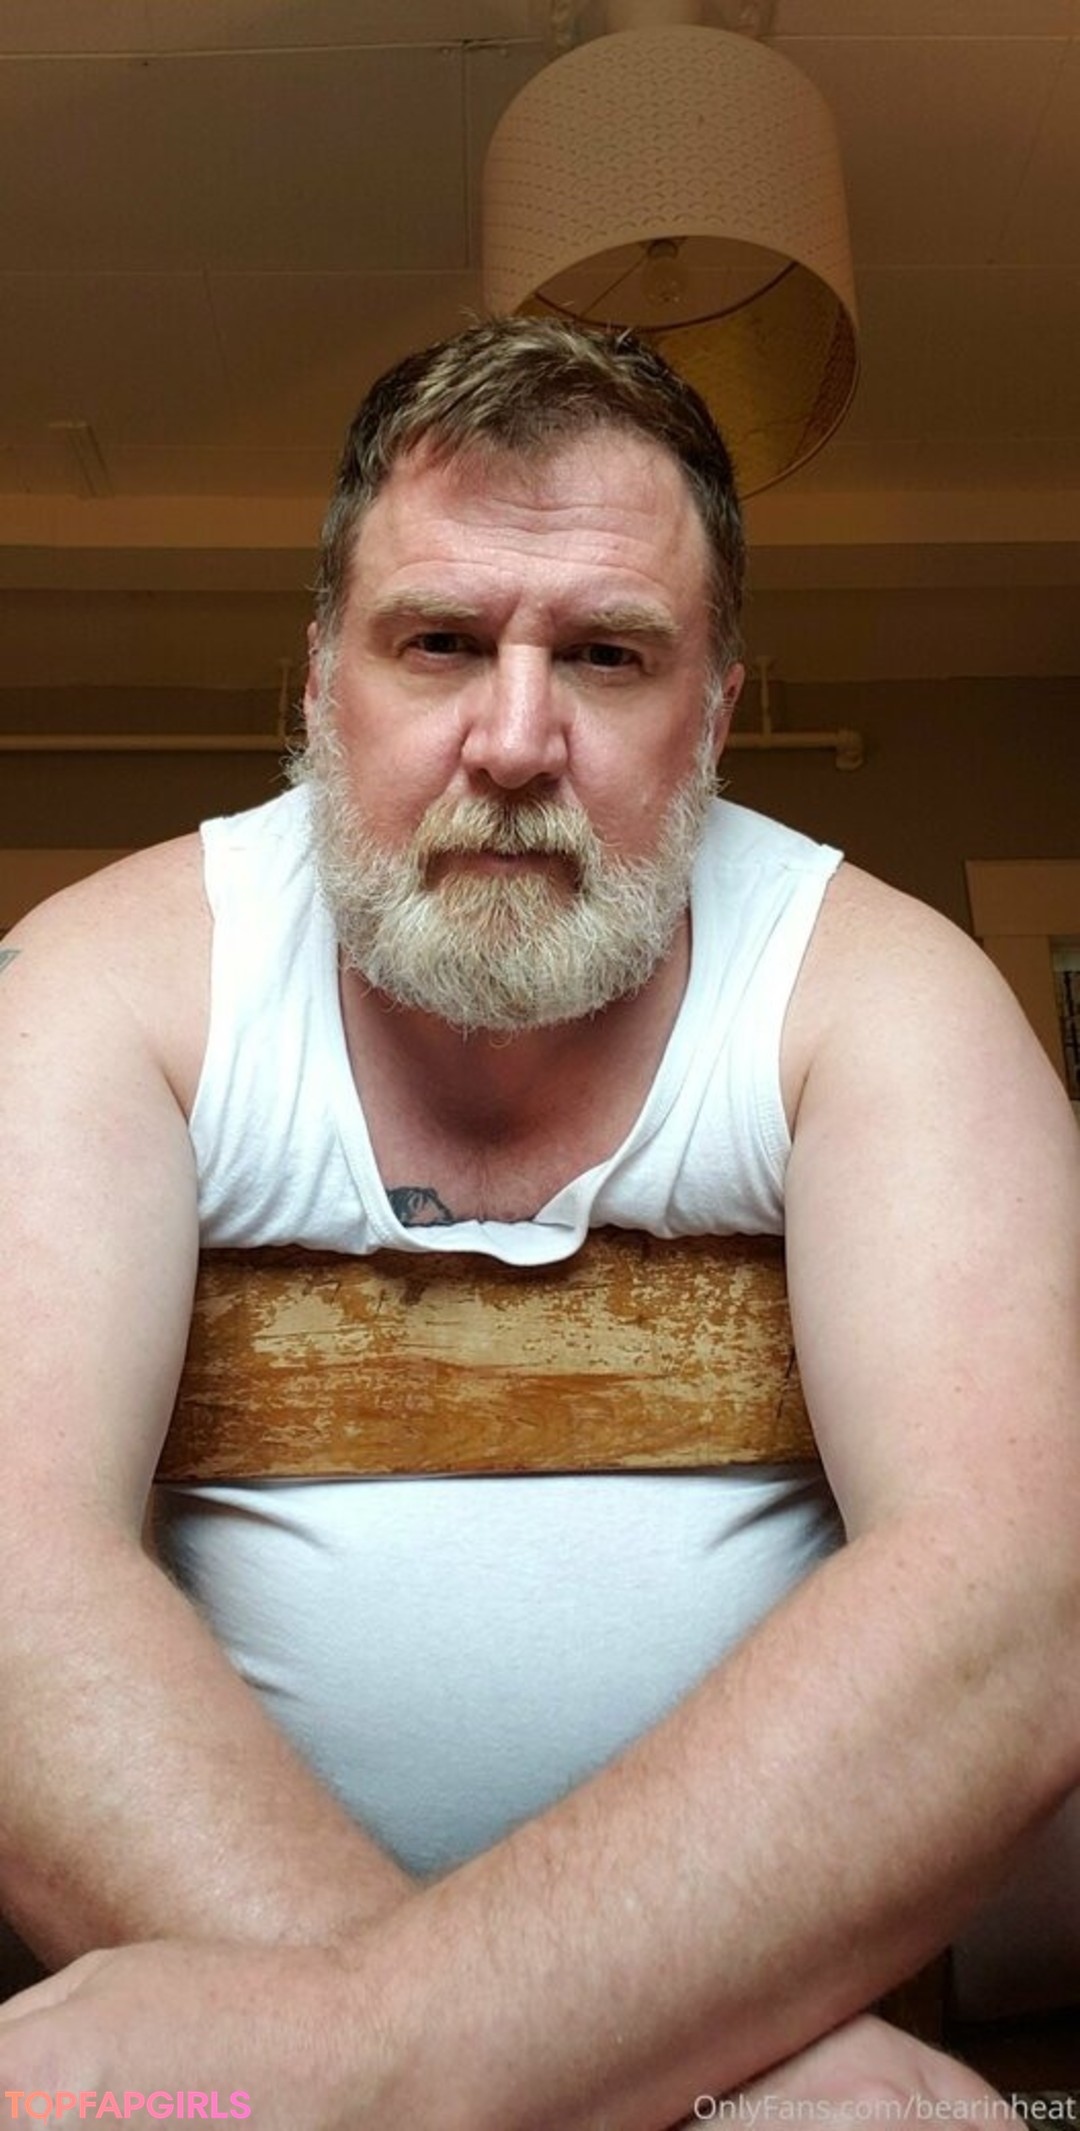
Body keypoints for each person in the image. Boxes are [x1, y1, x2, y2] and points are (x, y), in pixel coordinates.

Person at [0, 317, 1077, 2127]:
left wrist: (371, 2057)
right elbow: (13, 1589)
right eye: (438, 642)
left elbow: (1013, 1610)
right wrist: (646, 2083)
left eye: (606, 653)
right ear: (321, 682)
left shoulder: (890, 997)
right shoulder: (97, 986)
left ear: (714, 712)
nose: (514, 738)